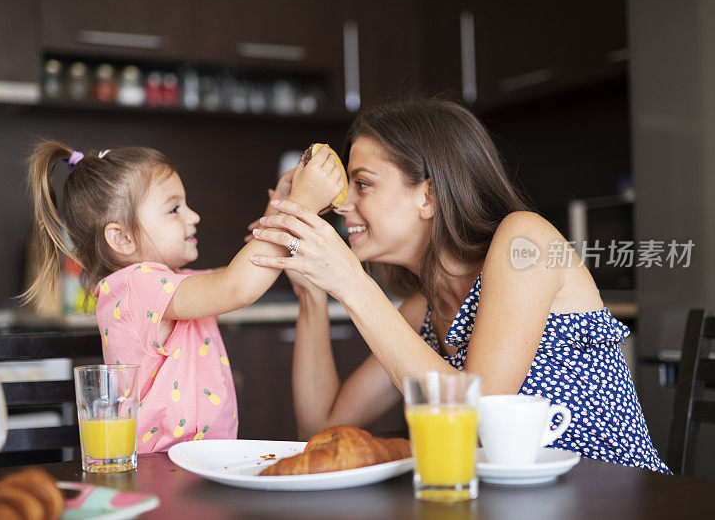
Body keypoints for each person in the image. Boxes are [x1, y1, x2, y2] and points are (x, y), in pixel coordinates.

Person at [249, 98, 670, 473]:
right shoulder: (424, 310)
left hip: (614, 497)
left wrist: (350, 282)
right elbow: (320, 427)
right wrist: (312, 296)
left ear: (428, 196)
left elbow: (478, 422)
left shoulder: (525, 241)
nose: (342, 204)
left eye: (363, 184)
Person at [23, 141, 344, 453]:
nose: (193, 216)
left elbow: (239, 274)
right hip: (163, 468)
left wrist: (277, 213)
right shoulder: (135, 287)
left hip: (192, 463)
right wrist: (298, 205)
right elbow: (237, 285)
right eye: (174, 208)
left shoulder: (171, 284)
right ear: (121, 238)